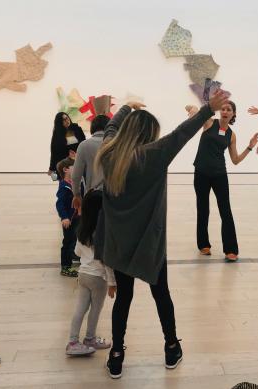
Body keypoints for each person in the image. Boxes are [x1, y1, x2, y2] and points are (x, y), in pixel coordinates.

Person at [96, 91, 229, 379]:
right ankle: (171, 347)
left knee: (123, 299)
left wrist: (125, 110)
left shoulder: (108, 154)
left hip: (119, 244)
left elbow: (109, 129)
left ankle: (116, 355)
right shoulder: (153, 155)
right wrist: (208, 109)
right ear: (148, 134)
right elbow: (183, 133)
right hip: (149, 244)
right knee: (161, 294)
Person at [186, 101, 258, 261]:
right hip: (201, 173)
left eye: (229, 110)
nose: (225, 111)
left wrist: (249, 147)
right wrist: (191, 109)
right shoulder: (209, 122)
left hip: (220, 174)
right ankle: (203, 245)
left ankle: (231, 249)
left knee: (225, 211)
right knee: (203, 208)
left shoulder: (231, 135)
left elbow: (235, 160)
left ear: (233, 114)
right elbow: (195, 110)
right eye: (223, 109)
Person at [66, 190, 117, 356]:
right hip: (98, 278)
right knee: (95, 309)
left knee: (80, 309)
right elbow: (106, 262)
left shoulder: (82, 230)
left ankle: (73, 342)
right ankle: (90, 338)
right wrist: (112, 283)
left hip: (83, 275)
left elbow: (77, 252)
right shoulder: (102, 233)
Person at [71, 114, 111, 213]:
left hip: (92, 196)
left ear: (92, 128)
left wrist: (77, 195)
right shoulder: (116, 144)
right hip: (113, 197)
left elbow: (76, 176)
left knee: (90, 226)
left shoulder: (84, 145)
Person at [56, 157, 79, 277]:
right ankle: (65, 267)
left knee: (74, 241)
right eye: (74, 167)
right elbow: (59, 204)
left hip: (76, 218)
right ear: (66, 169)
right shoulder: (64, 187)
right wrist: (64, 217)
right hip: (69, 220)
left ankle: (74, 256)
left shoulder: (73, 184)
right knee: (68, 243)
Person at [48, 112, 86, 179]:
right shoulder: (57, 134)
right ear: (60, 122)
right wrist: (51, 168)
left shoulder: (76, 129)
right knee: (65, 185)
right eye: (63, 120)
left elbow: (83, 144)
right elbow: (54, 152)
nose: (67, 121)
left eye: (67, 118)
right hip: (64, 165)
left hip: (77, 162)